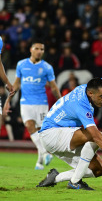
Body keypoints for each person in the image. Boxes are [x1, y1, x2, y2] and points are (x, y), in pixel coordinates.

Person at [3, 41, 61, 170]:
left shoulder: (47, 67)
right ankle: (45, 153)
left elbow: (53, 87)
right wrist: (8, 99)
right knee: (29, 126)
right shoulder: (21, 64)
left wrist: (61, 100)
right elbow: (17, 83)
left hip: (41, 103)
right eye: (37, 48)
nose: (39, 51)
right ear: (31, 49)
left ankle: (40, 162)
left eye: (42, 49)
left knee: (42, 133)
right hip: (26, 103)